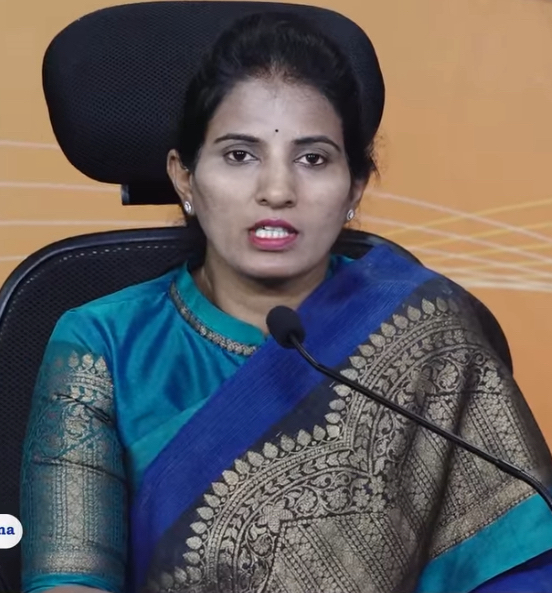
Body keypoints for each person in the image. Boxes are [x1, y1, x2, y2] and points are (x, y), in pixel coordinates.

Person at [20, 10, 552, 593]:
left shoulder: (427, 330)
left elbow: (519, 568)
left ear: (354, 188)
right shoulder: (100, 346)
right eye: (239, 155)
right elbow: (69, 581)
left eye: (313, 158)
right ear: (184, 176)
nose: (277, 190)